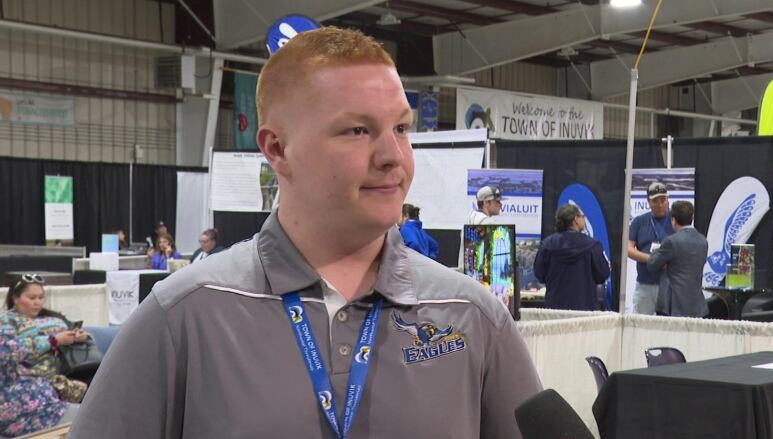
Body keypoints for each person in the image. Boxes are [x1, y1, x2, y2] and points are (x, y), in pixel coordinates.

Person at [69, 27, 542, 438]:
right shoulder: (185, 316)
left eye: (401, 128)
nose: (393, 156)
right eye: (358, 130)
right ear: (277, 148)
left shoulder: (471, 316)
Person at [0, 274, 89, 403]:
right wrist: (53, 341)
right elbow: (9, 350)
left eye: (41, 297)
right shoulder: (6, 320)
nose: (37, 302)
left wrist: (79, 335)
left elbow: (77, 330)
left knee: (102, 387)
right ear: (15, 298)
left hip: (65, 373)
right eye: (32, 298)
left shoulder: (54, 318)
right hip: (27, 380)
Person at [0, 324, 78, 437]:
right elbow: (17, 351)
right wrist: (53, 340)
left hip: (43, 401)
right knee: (96, 418)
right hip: (35, 413)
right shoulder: (8, 329)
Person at [533, 205, 610, 311]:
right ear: (575, 220)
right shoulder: (593, 246)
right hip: (584, 310)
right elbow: (602, 274)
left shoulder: (547, 245)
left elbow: (539, 274)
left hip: (554, 310)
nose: (584, 219)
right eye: (582, 216)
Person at [647, 200, 709, 317]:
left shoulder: (671, 242)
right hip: (696, 305)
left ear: (673, 220)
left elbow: (652, 265)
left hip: (672, 305)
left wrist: (657, 251)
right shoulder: (703, 241)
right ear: (692, 217)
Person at [627, 182, 675, 314]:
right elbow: (629, 249)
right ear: (648, 202)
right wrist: (650, 259)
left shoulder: (676, 220)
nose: (660, 205)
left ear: (668, 199)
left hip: (669, 285)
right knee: (641, 327)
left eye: (663, 200)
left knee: (668, 327)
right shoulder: (639, 221)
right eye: (655, 201)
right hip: (645, 285)